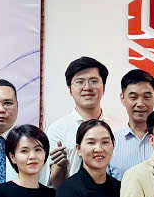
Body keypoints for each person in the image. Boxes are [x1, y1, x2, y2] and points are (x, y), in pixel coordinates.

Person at [43, 56, 122, 186]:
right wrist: (60, 167)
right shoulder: (57, 130)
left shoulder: (119, 127)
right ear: (70, 89)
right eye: (79, 82)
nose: (87, 87)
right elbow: (54, 184)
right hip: (72, 196)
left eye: (94, 81)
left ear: (104, 87)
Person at [107, 69, 154, 180]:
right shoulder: (111, 143)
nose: (140, 104)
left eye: (147, 97)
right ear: (122, 98)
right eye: (133, 97)